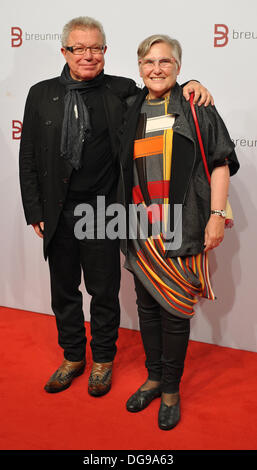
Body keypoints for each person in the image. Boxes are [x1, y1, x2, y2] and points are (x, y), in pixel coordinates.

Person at [19, 17, 214, 397]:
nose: (88, 55)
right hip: (58, 211)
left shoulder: (123, 90)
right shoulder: (40, 93)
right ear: (64, 51)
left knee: (104, 291)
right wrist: (34, 210)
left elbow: (162, 87)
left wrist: (193, 83)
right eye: (79, 48)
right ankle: (73, 356)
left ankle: (103, 361)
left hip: (105, 212)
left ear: (105, 51)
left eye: (96, 48)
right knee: (64, 291)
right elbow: (28, 155)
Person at [118, 34, 239, 429]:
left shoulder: (196, 105)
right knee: (147, 310)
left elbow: (219, 163)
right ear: (139, 68)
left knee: (174, 313)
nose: (156, 68)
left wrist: (217, 215)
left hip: (182, 226)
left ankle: (171, 389)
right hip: (139, 227)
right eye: (149, 62)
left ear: (178, 67)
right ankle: (153, 377)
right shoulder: (131, 106)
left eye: (165, 62)